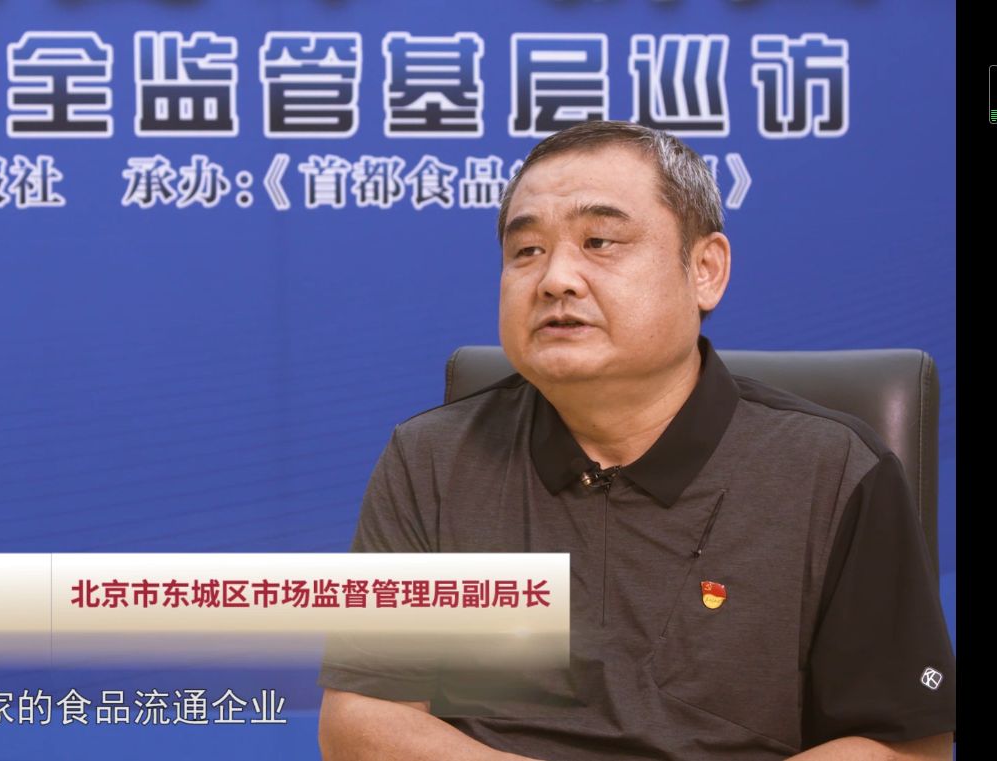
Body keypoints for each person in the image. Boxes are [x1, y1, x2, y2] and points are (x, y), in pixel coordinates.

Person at [315, 121, 956, 760]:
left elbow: (905, 747)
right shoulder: (431, 458)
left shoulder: (833, 470)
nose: (556, 279)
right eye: (527, 251)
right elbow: (361, 717)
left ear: (705, 269)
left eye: (599, 241)